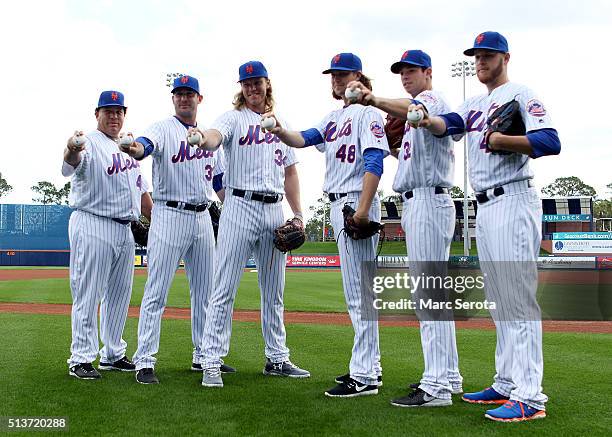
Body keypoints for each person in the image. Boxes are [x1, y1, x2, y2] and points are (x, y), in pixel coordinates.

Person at [409, 31, 560, 421]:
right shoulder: (474, 102)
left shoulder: (521, 93)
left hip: (513, 198)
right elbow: (448, 124)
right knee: (499, 299)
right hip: (484, 207)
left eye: (487, 55)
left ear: (504, 57)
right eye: (476, 55)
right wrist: (426, 119)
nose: (480, 61)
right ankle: (507, 381)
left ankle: (530, 396)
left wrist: (505, 139)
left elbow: (549, 140)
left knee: (517, 299)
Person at [267, 53, 389, 397]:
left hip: (354, 202)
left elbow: (375, 160)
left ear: (360, 78)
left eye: (343, 74)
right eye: (333, 75)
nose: (336, 79)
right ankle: (370, 368)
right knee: (358, 293)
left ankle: (364, 377)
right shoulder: (334, 117)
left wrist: (363, 210)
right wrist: (279, 130)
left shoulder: (368, 113)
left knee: (359, 295)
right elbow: (303, 138)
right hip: (339, 203)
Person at [347, 49, 463, 407]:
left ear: (428, 72)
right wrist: (395, 146)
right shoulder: (413, 113)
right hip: (419, 200)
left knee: (428, 294)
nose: (405, 76)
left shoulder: (429, 99)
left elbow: (418, 112)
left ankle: (437, 386)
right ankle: (450, 377)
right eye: (401, 71)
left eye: (411, 70)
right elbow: (412, 151)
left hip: (429, 200)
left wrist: (374, 99)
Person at [191, 60, 309, 388]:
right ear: (241, 88)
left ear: (267, 84)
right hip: (239, 206)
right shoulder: (233, 118)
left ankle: (277, 358)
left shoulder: (280, 124)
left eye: (257, 82)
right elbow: (215, 138)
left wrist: (298, 214)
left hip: (273, 210)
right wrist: (202, 137)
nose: (252, 88)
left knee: (274, 292)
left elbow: (290, 173)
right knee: (223, 289)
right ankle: (211, 361)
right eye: (247, 83)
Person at [120, 75, 232, 384]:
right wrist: (133, 147)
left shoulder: (210, 136)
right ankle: (144, 360)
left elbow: (220, 183)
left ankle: (203, 355)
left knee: (206, 293)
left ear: (199, 98)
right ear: (173, 99)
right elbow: (144, 147)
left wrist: (233, 213)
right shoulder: (162, 128)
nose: (184, 98)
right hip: (168, 214)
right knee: (157, 291)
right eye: (179, 93)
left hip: (202, 217)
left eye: (189, 93)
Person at [62, 90, 152, 379]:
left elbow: (143, 195)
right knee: (88, 293)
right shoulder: (87, 143)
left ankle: (113, 354)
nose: (114, 116)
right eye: (108, 111)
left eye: (118, 111)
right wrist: (71, 147)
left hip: (124, 229)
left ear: (124, 115)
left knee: (119, 295)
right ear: (97, 114)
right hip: (92, 223)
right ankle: (80, 358)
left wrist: (158, 225)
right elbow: (71, 162)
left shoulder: (130, 150)